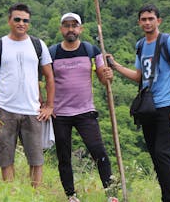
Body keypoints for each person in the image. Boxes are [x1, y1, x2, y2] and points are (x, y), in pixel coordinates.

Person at [107, 4, 170, 202]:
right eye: (144, 19)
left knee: (162, 153)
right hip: (148, 107)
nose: (147, 22)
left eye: (151, 18)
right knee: (154, 154)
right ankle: (167, 196)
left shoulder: (169, 41)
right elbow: (140, 76)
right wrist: (115, 66)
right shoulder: (141, 45)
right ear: (139, 22)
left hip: (167, 105)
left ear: (158, 21)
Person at [0, 3, 55, 187]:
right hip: (4, 108)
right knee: (6, 157)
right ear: (9, 21)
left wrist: (49, 106)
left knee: (36, 158)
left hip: (32, 109)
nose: (21, 23)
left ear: (29, 23)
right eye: (17, 19)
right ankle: (10, 194)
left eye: (25, 20)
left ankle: (35, 195)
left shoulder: (38, 45)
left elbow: (49, 76)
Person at [50, 12, 117, 202]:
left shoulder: (91, 50)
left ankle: (111, 194)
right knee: (64, 157)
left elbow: (104, 80)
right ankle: (71, 195)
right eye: (66, 25)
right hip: (60, 114)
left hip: (86, 112)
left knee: (99, 152)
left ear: (81, 29)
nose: (70, 29)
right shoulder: (52, 53)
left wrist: (108, 75)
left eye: (74, 25)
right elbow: (43, 80)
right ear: (61, 29)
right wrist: (45, 104)